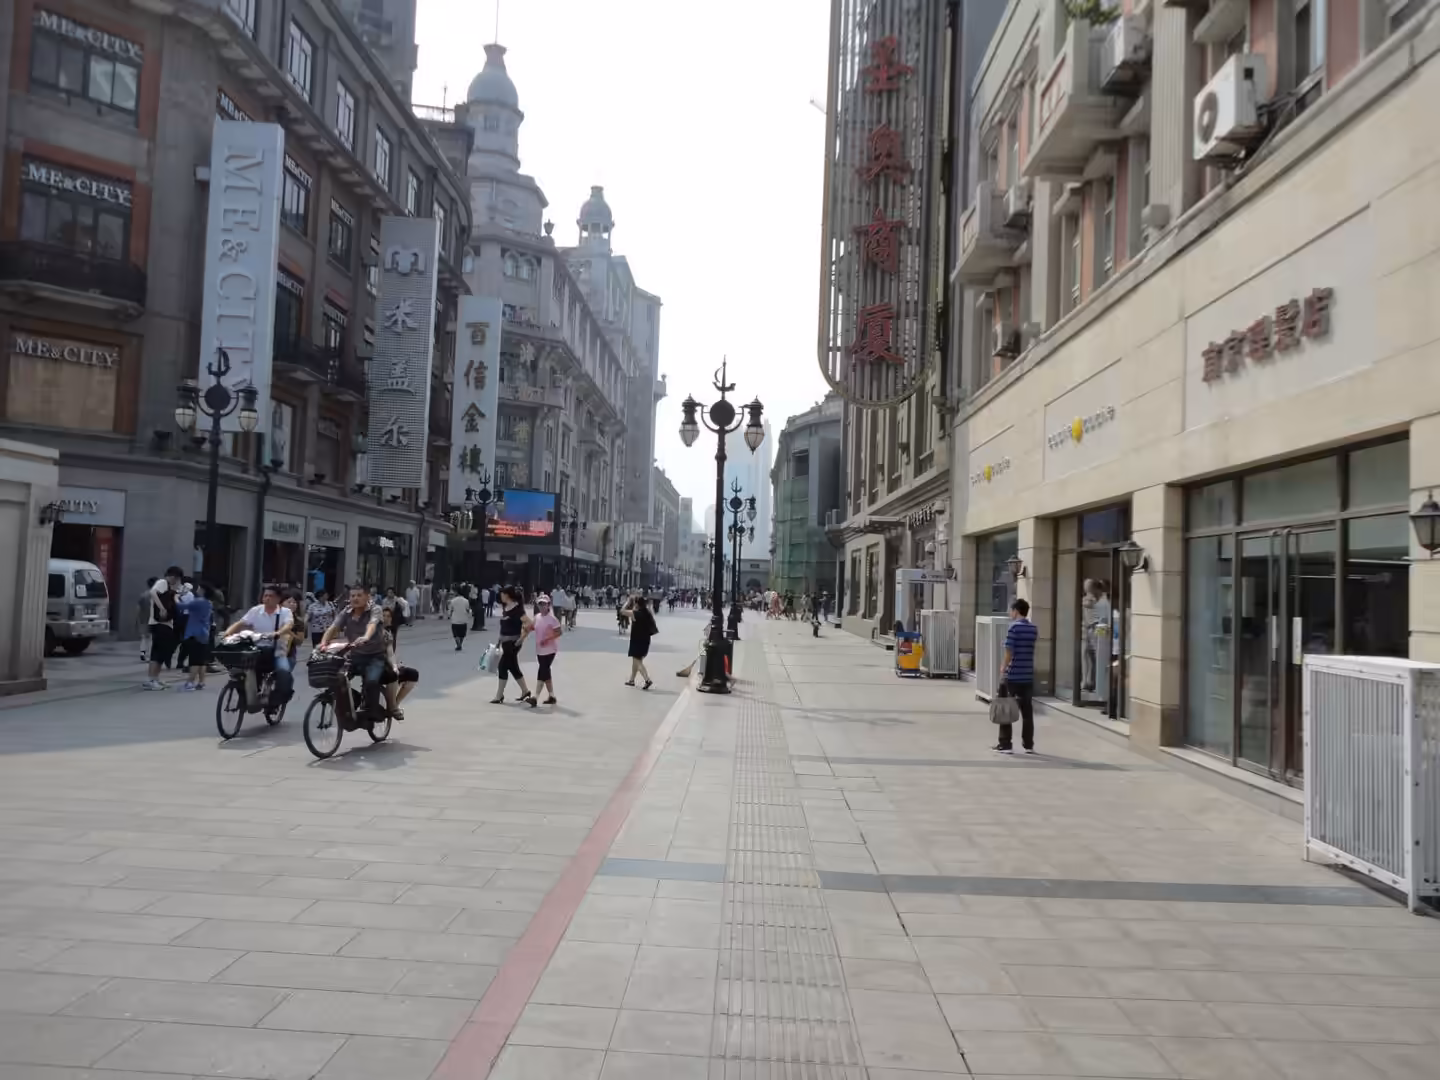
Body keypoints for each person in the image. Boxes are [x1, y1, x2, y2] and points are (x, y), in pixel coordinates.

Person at [221, 584, 296, 707]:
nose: (267, 598)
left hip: (277, 651)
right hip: (256, 650)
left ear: (278, 599)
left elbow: (288, 626)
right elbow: (240, 623)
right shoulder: (256, 610)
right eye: (265, 595)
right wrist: (227, 633)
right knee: (242, 671)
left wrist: (277, 633)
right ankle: (245, 697)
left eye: (270, 596)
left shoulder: (285, 612)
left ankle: (275, 702)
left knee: (284, 674)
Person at [321, 585, 387, 718]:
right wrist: (323, 644)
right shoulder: (347, 611)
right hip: (354, 655)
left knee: (371, 682)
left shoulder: (376, 609)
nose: (355, 598)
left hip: (375, 656)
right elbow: (334, 627)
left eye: (359, 595)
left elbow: (372, 624)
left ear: (367, 596)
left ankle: (373, 710)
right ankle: (355, 700)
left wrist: (366, 637)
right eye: (352, 596)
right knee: (336, 680)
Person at [993, 598, 1039, 755]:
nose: (1010, 613)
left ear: (1016, 611)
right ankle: (1028, 745)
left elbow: (1009, 651)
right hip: (1027, 674)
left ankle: (1005, 744)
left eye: (1011, 610)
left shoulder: (1013, 628)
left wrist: (1003, 668)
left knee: (1006, 708)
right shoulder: (1033, 629)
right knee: (1027, 712)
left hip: (1013, 675)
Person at [491, 586, 537, 706]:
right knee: (512, 667)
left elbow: (530, 624)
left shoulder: (517, 609)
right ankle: (525, 691)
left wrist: (522, 638)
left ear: (508, 595)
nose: (501, 596)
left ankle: (499, 695)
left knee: (502, 667)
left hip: (513, 643)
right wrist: (499, 641)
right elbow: (505, 627)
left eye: (502, 594)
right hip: (505, 642)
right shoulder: (506, 607)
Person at [142, 566, 184, 690]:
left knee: (162, 653)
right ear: (172, 576)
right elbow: (152, 593)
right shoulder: (162, 583)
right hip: (159, 624)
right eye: (176, 579)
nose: (176, 581)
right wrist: (162, 608)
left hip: (167, 624)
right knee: (157, 653)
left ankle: (156, 678)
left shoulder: (171, 587)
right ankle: (151, 680)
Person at [176, 583, 213, 691]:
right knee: (201, 660)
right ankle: (201, 682)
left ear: (203, 591)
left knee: (194, 660)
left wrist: (176, 597)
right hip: (204, 633)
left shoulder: (199, 601)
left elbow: (181, 606)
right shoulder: (208, 603)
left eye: (200, 588)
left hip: (194, 633)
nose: (198, 589)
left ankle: (190, 682)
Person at [531, 594, 563, 705]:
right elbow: (531, 627)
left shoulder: (552, 619)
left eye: (544, 604)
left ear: (548, 605)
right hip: (539, 649)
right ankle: (552, 696)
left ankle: (535, 697)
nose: (542, 606)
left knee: (542, 670)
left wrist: (548, 639)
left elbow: (559, 632)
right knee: (546, 671)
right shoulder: (537, 617)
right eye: (540, 604)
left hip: (550, 649)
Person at [625, 595, 657, 689]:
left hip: (637, 640)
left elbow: (622, 611)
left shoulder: (636, 613)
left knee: (637, 661)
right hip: (646, 640)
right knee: (637, 660)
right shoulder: (647, 612)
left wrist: (627, 602)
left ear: (636, 604)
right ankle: (631, 680)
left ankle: (647, 679)